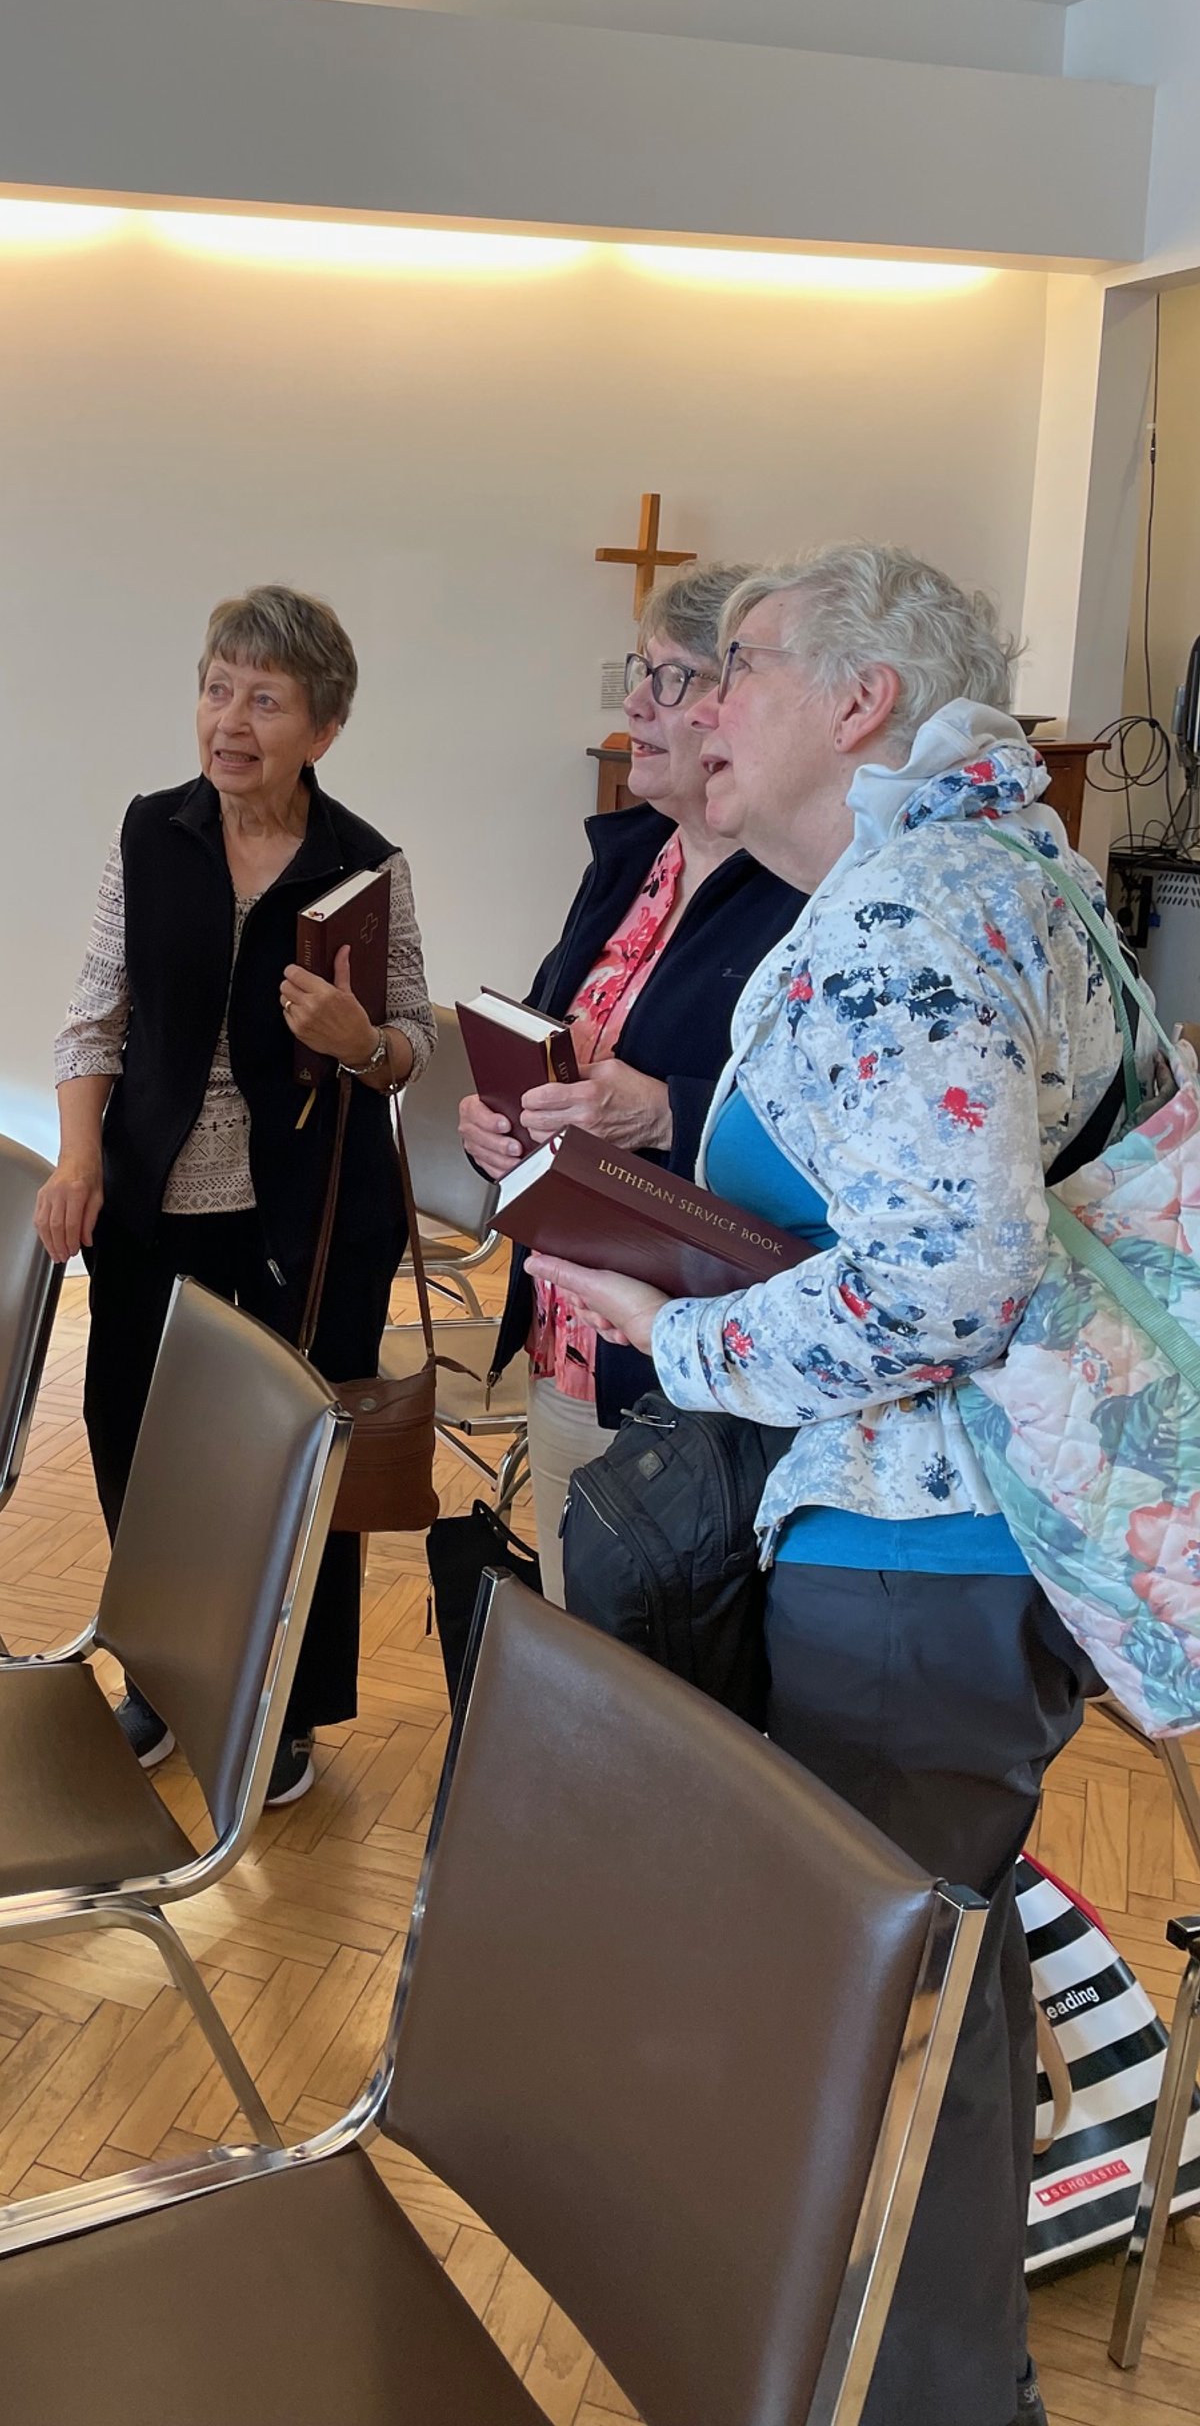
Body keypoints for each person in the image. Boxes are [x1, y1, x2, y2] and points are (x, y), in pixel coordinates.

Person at [529, 544, 1130, 2426]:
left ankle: (939, 2393)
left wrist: (670, 1328)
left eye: (747, 668)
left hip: (916, 1545)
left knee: (909, 1992)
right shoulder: (975, 865)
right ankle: (908, 2365)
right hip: (949, 1532)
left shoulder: (911, 909)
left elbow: (951, 1279)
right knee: (925, 1957)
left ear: (861, 698)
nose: (710, 702)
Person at [36, 587, 435, 1804]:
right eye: (218, 688)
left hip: (313, 1218)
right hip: (154, 1207)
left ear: (322, 729)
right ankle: (160, 1672)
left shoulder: (365, 863)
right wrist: (77, 1158)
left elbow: (411, 1038)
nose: (231, 720)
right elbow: (92, 1017)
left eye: (266, 698)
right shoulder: (150, 832)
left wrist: (363, 1038)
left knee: (304, 1458)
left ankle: (293, 1709)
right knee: (137, 1444)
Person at [457, 565, 802, 1599]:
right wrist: (503, 1119)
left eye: (672, 678)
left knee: (678, 1680)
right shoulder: (630, 859)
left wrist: (666, 1110)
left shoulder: (804, 886)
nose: (637, 706)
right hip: (571, 1319)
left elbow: (826, 1134)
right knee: (578, 1633)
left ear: (743, 707)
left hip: (698, 1356)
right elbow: (555, 1031)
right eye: (636, 673)